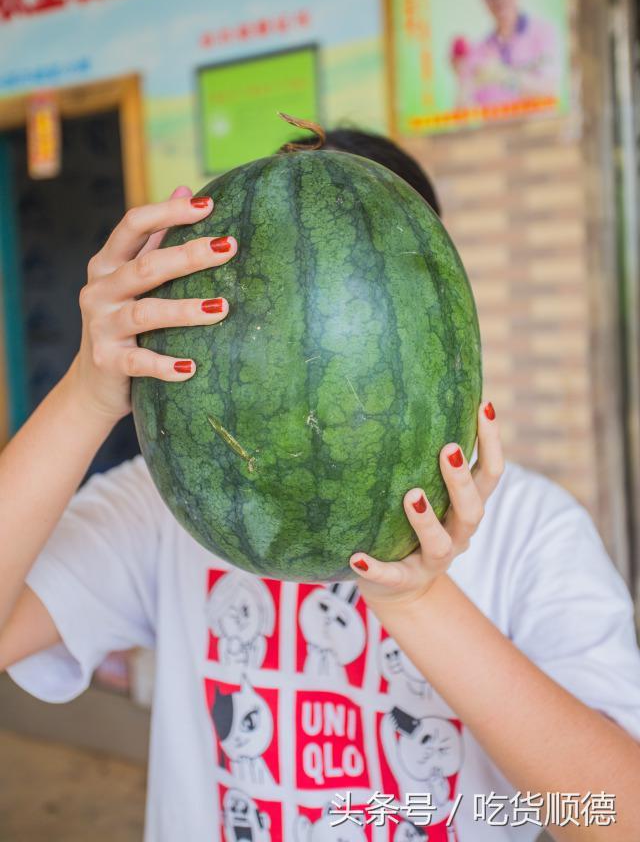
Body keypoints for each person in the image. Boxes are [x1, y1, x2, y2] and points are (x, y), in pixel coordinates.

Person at [1, 130, 639, 842]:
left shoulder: (535, 530)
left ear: (437, 318)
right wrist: (86, 396)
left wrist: (418, 599)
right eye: (266, 312)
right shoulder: (165, 507)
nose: (310, 356)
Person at [450, 0, 560, 108]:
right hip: (495, 130)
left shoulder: (543, 32)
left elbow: (550, 91)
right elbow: (461, 110)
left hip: (538, 129)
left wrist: (502, 76)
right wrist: (461, 78)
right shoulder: (479, 51)